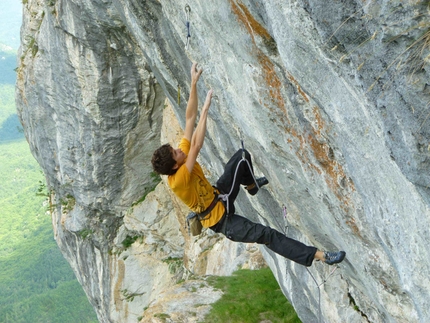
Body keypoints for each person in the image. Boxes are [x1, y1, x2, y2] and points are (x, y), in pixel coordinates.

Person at [151, 62, 346, 267]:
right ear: (174, 166)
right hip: (223, 222)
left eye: (176, 149)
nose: (180, 149)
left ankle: (251, 186)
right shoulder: (178, 180)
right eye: (176, 153)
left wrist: (193, 82)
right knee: (266, 234)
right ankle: (322, 256)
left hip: (219, 195)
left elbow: (189, 118)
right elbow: (197, 144)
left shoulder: (179, 160)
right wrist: (206, 108)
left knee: (242, 156)